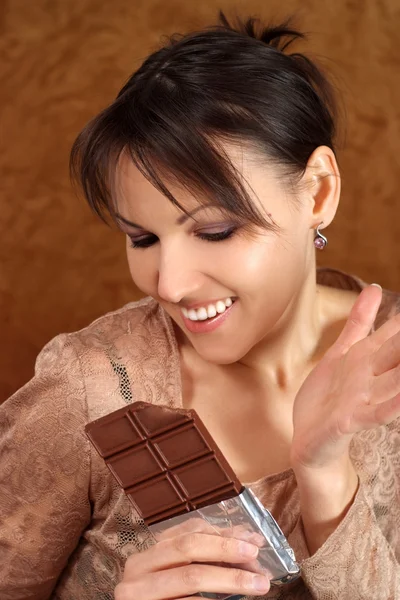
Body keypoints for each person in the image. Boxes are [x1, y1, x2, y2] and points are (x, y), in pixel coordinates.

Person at [1, 10, 400, 600]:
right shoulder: (88, 389)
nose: (171, 284)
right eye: (142, 238)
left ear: (317, 192)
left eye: (215, 231)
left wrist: (324, 473)